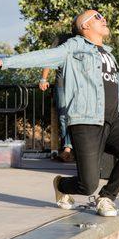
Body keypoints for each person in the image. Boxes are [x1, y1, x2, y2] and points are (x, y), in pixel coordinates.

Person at [0, 9, 119, 217]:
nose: (104, 18)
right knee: (87, 185)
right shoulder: (74, 47)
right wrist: (3, 62)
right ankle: (62, 185)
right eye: (97, 17)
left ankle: (107, 197)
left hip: (112, 119)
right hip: (86, 120)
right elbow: (43, 56)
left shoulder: (109, 53)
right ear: (85, 26)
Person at [38, 33, 74, 162]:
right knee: (64, 117)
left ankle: (75, 150)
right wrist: (43, 79)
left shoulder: (86, 40)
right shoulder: (61, 39)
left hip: (79, 85)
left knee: (77, 116)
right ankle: (67, 149)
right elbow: (49, 58)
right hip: (62, 84)